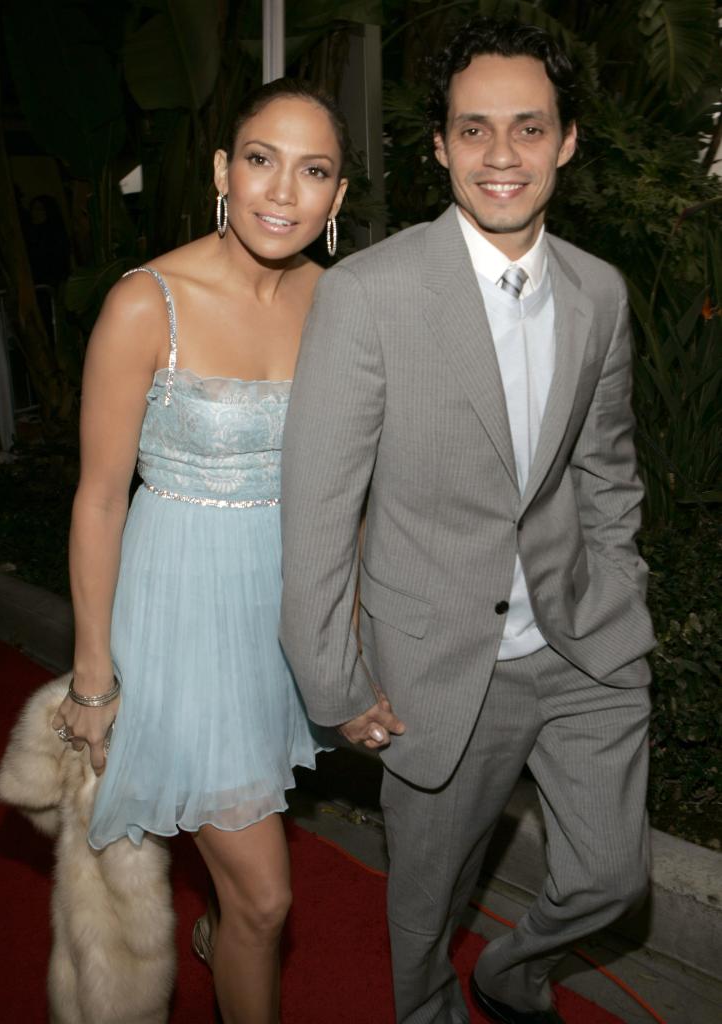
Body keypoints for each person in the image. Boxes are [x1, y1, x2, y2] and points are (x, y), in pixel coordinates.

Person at [280, 18, 656, 1024]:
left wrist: (617, 596)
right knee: (422, 916)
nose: (500, 156)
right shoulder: (367, 294)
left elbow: (604, 469)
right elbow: (318, 506)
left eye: (527, 129)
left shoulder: (598, 295)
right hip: (441, 666)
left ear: (565, 141)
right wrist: (336, 682)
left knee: (611, 879)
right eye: (473, 129)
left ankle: (512, 970)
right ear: (438, 144)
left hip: (582, 651)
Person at [52, 78, 348, 1024]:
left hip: (280, 605)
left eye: (314, 171)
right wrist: (93, 675)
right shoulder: (149, 303)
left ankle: (228, 940)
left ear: (337, 198)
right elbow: (99, 499)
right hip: (180, 610)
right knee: (268, 894)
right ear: (225, 169)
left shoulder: (335, 303)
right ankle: (241, 935)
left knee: (247, 865)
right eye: (261, 159)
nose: (281, 190)